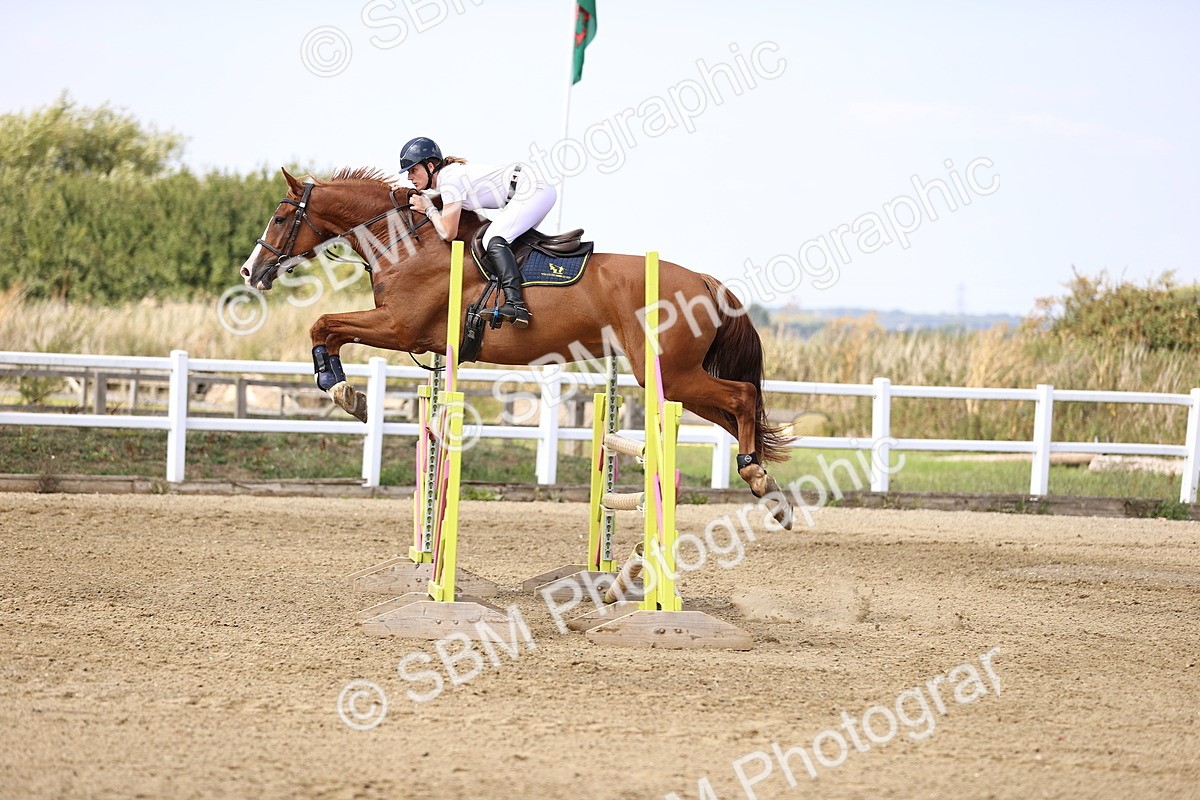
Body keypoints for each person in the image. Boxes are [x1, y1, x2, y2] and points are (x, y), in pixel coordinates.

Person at [400, 136, 556, 328]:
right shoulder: (449, 178)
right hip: (530, 189)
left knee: (492, 238)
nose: (409, 177)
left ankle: (516, 305)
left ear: (430, 167)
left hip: (531, 189)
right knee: (511, 243)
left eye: (413, 170)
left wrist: (429, 210)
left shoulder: (449, 180)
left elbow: (449, 232)